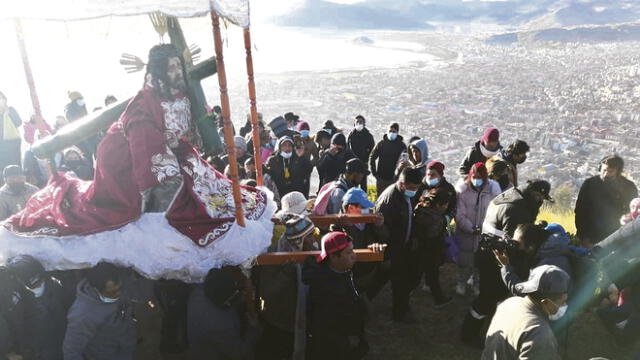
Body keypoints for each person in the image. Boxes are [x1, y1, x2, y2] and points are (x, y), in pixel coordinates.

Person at [4, 44, 270, 247]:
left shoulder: (182, 93)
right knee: (178, 199)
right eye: (172, 68)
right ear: (159, 72)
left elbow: (186, 131)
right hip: (125, 159)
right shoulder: (145, 103)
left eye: (180, 66)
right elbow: (146, 145)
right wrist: (166, 178)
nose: (178, 73)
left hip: (170, 151)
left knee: (212, 187)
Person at [461, 180, 553, 347]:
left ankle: (487, 327)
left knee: (492, 296)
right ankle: (468, 334)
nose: (540, 200)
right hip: (495, 257)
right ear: (532, 192)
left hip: (490, 252)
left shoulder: (515, 196)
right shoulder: (517, 209)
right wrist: (517, 269)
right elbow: (517, 244)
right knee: (487, 297)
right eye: (539, 196)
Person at [254, 214, 317, 360]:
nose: (314, 240)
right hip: (280, 322)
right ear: (298, 240)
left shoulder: (311, 252)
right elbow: (268, 292)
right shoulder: (274, 257)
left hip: (304, 319)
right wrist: (286, 274)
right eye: (309, 236)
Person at [63, 262, 150, 360]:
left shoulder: (118, 281)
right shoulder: (83, 314)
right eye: (113, 292)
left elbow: (144, 296)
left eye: (120, 288)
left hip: (127, 349)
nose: (119, 293)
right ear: (96, 290)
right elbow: (71, 350)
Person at [483, 264, 570, 360]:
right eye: (563, 301)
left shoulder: (510, 302)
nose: (565, 305)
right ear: (546, 302)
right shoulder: (540, 334)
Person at [303, 231, 368, 360]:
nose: (354, 256)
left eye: (353, 251)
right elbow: (328, 327)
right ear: (333, 257)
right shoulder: (324, 286)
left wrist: (376, 249)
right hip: (333, 348)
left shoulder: (343, 270)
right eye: (349, 253)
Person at [374, 167, 423, 322]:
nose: (414, 191)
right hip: (393, 248)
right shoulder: (389, 200)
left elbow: (409, 216)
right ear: (402, 184)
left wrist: (412, 237)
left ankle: (400, 308)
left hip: (403, 245)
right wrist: (387, 254)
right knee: (397, 281)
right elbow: (380, 229)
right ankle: (400, 313)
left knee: (401, 278)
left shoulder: (405, 195)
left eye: (416, 188)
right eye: (412, 188)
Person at [188, 267, 260, 360]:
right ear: (226, 302)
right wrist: (253, 328)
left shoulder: (199, 292)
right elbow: (239, 353)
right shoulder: (218, 326)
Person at [6, 255, 67, 360]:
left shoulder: (56, 287)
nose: (35, 282)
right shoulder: (14, 300)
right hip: (35, 350)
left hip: (58, 344)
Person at [454, 162, 501, 296]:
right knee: (463, 261)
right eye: (474, 176)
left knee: (480, 263)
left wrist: (487, 229)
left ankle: (476, 283)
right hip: (465, 233)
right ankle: (461, 282)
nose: (477, 179)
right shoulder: (462, 191)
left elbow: (496, 212)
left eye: (480, 177)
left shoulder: (492, 190)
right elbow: (459, 214)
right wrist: (471, 228)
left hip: (485, 234)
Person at [575, 154, 638, 247]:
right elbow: (580, 211)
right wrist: (583, 237)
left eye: (610, 171)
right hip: (589, 235)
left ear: (617, 172)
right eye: (604, 170)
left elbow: (632, 215)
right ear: (600, 167)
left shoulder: (628, 187)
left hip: (615, 237)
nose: (605, 174)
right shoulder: (589, 184)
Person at [412, 188, 453, 307]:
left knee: (418, 272)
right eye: (445, 204)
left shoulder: (420, 208)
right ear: (438, 205)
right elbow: (434, 233)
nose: (446, 207)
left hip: (419, 247)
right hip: (431, 248)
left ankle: (410, 289)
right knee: (432, 274)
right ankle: (439, 299)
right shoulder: (435, 218)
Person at [340, 188, 385, 296]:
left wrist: (380, 226)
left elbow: (384, 237)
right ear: (351, 208)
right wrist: (348, 228)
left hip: (369, 270)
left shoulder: (369, 221)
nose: (367, 210)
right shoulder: (338, 227)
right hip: (352, 275)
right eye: (363, 208)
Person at [369, 123, 406, 196]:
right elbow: (372, 157)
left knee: (393, 198)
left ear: (397, 132)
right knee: (380, 199)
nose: (391, 133)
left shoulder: (402, 146)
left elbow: (404, 162)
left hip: (395, 180)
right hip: (381, 179)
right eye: (390, 131)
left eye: (394, 131)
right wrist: (375, 174)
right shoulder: (381, 143)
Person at [347, 115, 375, 190]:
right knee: (351, 185)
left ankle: (363, 200)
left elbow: (373, 150)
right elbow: (347, 149)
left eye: (361, 122)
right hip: (352, 164)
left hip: (363, 163)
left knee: (363, 185)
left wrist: (366, 159)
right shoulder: (351, 135)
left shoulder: (368, 136)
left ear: (364, 124)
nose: (359, 123)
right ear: (354, 124)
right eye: (357, 122)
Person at [0, 91, 23, 174]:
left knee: (15, 165)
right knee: (3, 168)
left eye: (1, 98)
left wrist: (7, 111)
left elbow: (18, 122)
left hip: (13, 142)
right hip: (1, 145)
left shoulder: (11, 109)